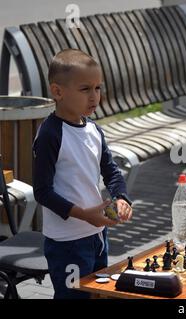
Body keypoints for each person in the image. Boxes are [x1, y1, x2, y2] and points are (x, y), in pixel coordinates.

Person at [32, 49, 133, 299]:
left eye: (98, 88)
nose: (94, 96)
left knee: (98, 294)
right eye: (85, 89)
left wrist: (121, 198)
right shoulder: (50, 135)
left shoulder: (94, 130)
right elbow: (42, 192)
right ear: (57, 92)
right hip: (67, 242)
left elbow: (111, 171)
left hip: (97, 234)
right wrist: (84, 215)